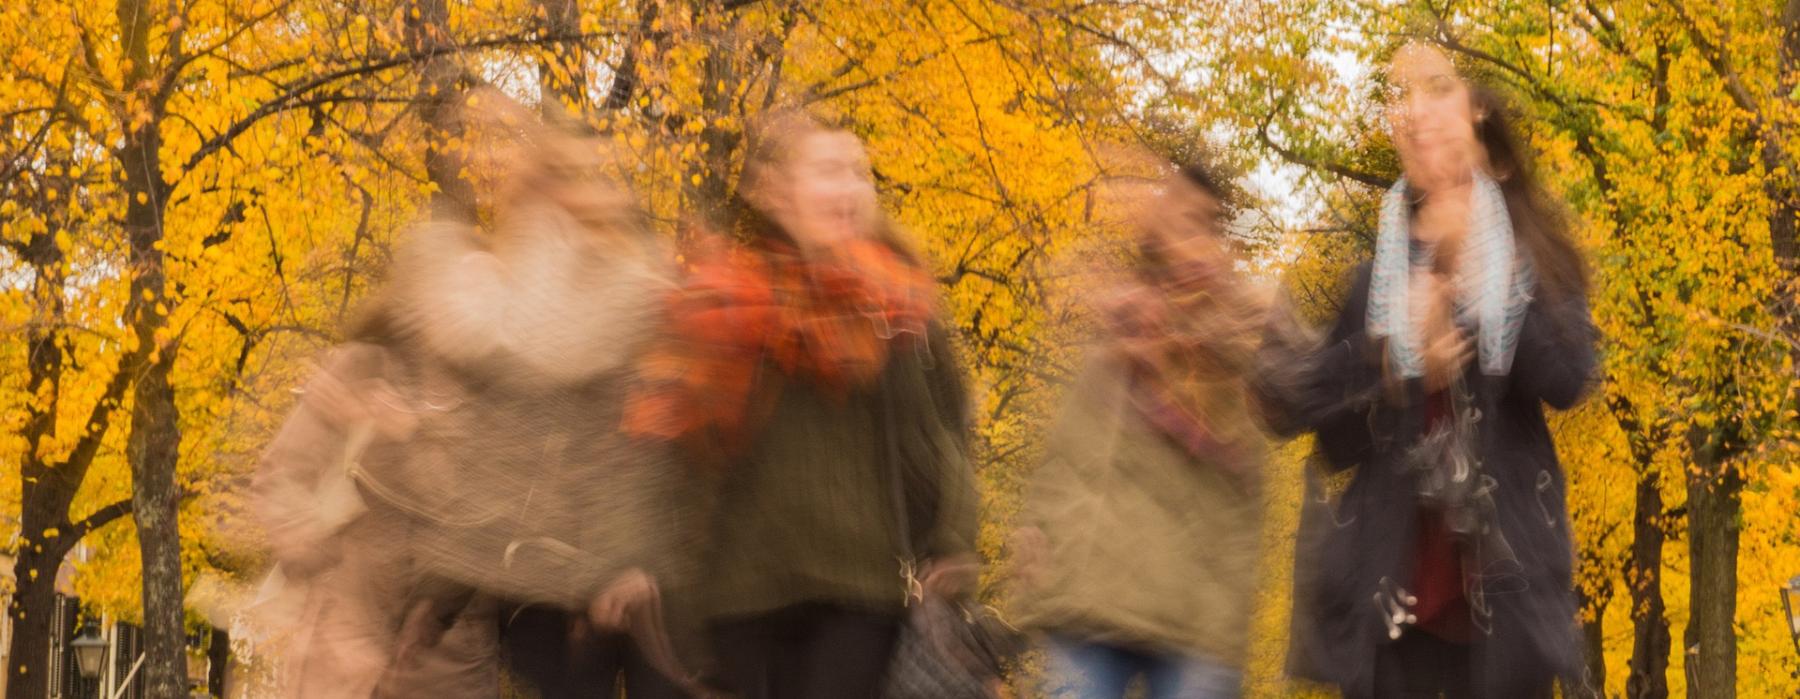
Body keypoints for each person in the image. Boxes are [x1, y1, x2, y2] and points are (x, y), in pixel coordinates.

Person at [252, 96, 702, 698]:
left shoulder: (508, 382)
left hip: (453, 645)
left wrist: (415, 436)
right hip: (352, 628)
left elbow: (497, 499)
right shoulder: (365, 367)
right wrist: (317, 561)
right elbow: (279, 477)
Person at [1272, 43, 1597, 698]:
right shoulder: (1377, 283)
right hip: (1392, 607)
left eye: (1440, 92)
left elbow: (1569, 377)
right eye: (1406, 101)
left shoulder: (1532, 266)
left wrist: (1485, 280)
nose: (1421, 116)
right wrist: (1390, 361)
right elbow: (1326, 437)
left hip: (1508, 599)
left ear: (1494, 157)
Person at [624, 111, 980, 699]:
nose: (849, 189)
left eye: (859, 173)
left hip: (861, 592)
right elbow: (673, 462)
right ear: (773, 190)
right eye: (827, 171)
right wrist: (650, 575)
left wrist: (953, 539)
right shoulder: (722, 307)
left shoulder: (898, 306)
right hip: (736, 596)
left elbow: (944, 434)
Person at [1010, 162, 1265, 699]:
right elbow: (1065, 458)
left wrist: (1229, 622)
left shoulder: (1235, 346)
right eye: (1171, 216)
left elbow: (1248, 495)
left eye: (1196, 222)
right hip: (1090, 603)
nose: (1178, 232)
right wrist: (1038, 536)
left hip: (1193, 621)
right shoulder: (1116, 341)